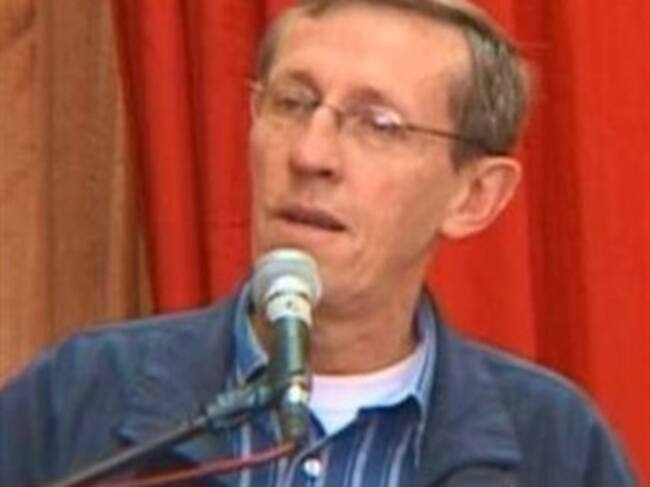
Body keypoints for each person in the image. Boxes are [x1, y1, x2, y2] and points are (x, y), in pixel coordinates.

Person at [0, 0, 637, 485]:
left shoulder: (555, 448)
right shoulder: (77, 400)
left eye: (378, 124)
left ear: (474, 196)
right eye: (292, 103)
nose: (310, 154)